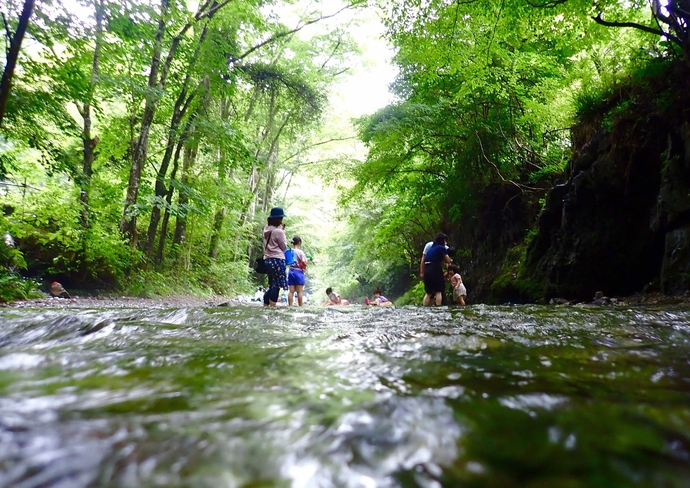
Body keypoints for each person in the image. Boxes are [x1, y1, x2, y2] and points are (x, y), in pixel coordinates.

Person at [262, 207, 288, 306]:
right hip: (278, 260)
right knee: (277, 286)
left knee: (272, 285)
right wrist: (283, 232)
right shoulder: (279, 232)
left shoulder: (266, 230)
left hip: (268, 260)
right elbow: (283, 247)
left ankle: (266, 304)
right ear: (279, 219)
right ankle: (272, 307)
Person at [423, 233, 452, 306]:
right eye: (445, 240)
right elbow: (448, 260)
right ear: (443, 240)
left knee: (429, 292)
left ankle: (424, 307)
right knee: (438, 291)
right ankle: (438, 308)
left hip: (426, 268)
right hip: (435, 268)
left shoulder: (432, 248)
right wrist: (450, 261)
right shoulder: (442, 248)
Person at [288, 235, 309, 306]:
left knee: (291, 292)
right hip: (299, 272)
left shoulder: (289, 251)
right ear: (299, 243)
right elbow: (304, 262)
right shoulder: (300, 252)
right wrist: (307, 260)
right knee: (299, 292)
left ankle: (290, 306)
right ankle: (300, 307)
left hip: (291, 271)